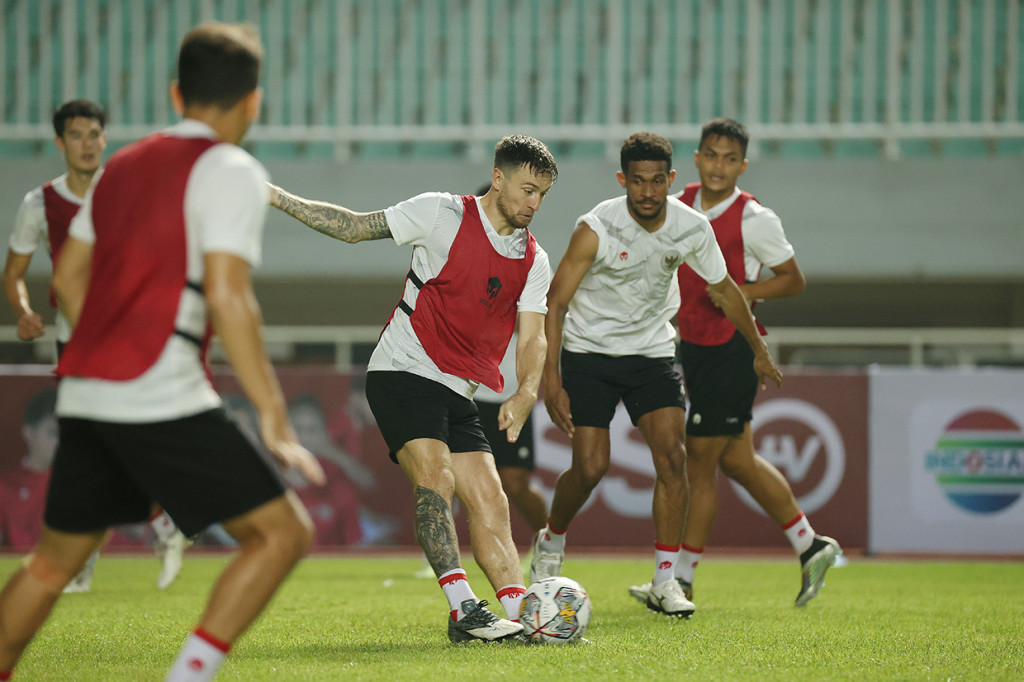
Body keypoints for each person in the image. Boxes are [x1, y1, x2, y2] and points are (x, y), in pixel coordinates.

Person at [0, 22, 325, 682]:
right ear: (254, 101)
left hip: (85, 387)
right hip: (157, 386)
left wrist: (105, 344)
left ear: (177, 93)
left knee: (51, 564)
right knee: (283, 534)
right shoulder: (232, 170)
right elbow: (231, 297)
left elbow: (68, 280)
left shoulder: (119, 167)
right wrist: (273, 418)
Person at [268, 134, 558, 643]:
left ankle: (524, 617)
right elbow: (354, 227)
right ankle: (464, 609)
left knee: (491, 500)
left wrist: (527, 390)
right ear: (498, 179)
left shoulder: (534, 259)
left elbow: (533, 336)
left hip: (459, 389)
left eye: (542, 195)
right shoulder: (441, 214)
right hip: (403, 369)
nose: (534, 203)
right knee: (436, 477)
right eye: (528, 190)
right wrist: (275, 196)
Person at [532, 132, 782, 619]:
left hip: (651, 353)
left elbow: (726, 289)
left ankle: (665, 581)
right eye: (637, 182)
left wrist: (757, 348)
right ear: (622, 180)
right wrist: (552, 382)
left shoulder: (692, 227)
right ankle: (551, 539)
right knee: (590, 468)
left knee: (673, 458)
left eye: (657, 182)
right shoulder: (596, 228)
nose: (647, 192)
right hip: (590, 353)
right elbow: (556, 302)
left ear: (671, 179)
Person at [636, 118, 840, 608]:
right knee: (737, 460)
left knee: (699, 464)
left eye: (729, 159)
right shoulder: (677, 204)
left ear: (743, 166)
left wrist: (743, 291)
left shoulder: (754, 219)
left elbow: (793, 279)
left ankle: (681, 580)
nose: (718, 166)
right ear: (697, 158)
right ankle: (810, 545)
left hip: (731, 349)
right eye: (711, 155)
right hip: (694, 347)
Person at [2, 99, 190, 592]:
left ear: (105, 139)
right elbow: (14, 272)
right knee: (87, 453)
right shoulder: (39, 204)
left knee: (111, 447)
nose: (87, 144)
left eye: (94, 134)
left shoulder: (126, 191)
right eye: (76, 135)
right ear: (60, 143)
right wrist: (23, 311)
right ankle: (153, 527)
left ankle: (125, 538)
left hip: (128, 339)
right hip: (74, 344)